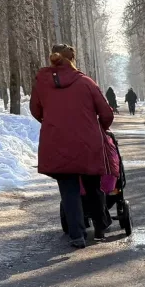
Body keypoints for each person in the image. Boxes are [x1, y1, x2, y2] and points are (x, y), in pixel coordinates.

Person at [30, 43, 114, 249]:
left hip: (57, 142)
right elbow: (106, 113)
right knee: (93, 186)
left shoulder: (42, 82)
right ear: (73, 59)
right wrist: (100, 128)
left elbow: (35, 110)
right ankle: (101, 226)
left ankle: (77, 235)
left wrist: (52, 122)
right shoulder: (86, 82)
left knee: (68, 189)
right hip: (88, 143)